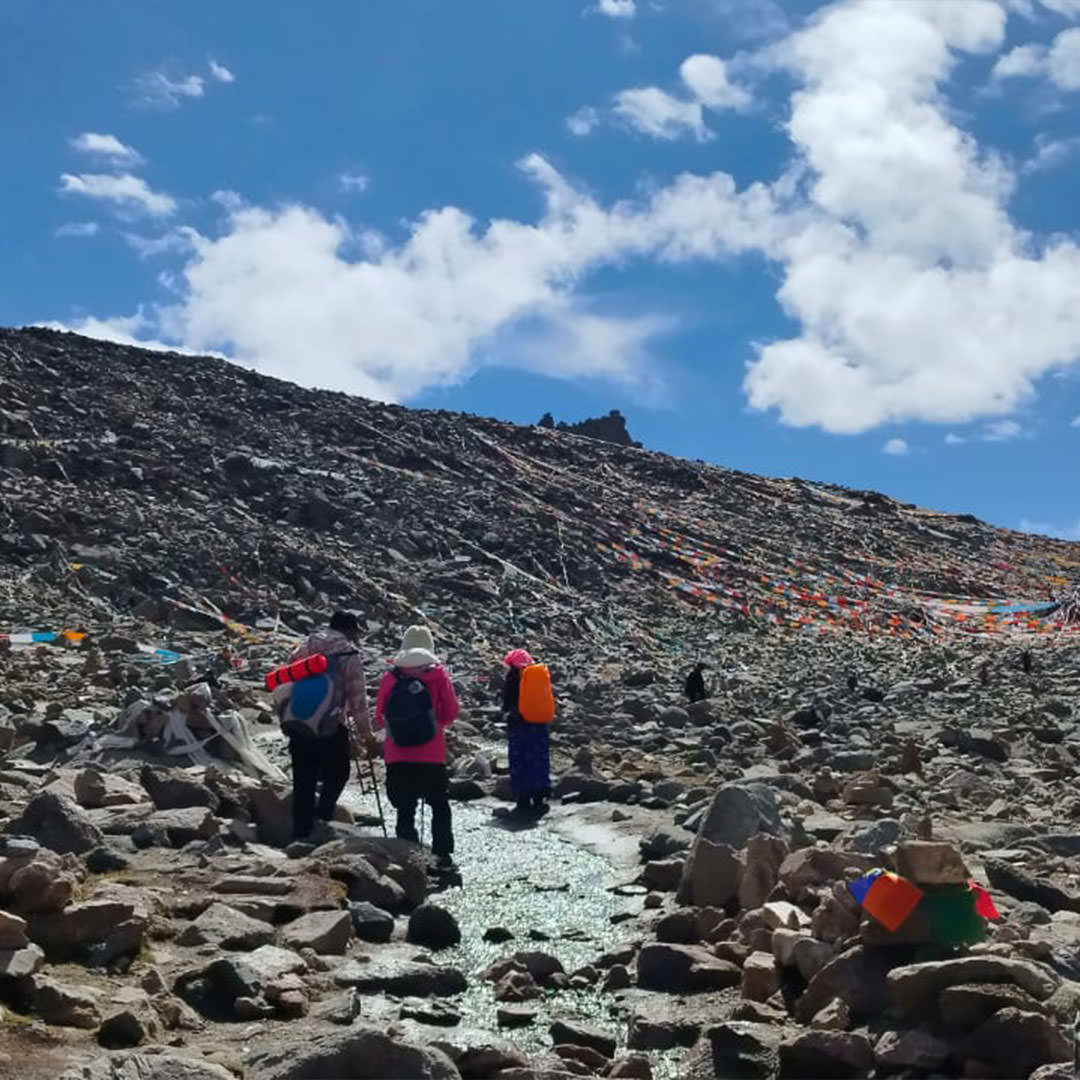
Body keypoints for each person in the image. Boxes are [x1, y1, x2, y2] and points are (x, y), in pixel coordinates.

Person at [285, 610, 376, 841]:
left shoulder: (304, 647)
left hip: (301, 722)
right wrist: (367, 735)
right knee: (338, 774)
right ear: (349, 630)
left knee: (303, 779)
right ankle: (322, 820)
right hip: (332, 725)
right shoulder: (348, 652)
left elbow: (286, 679)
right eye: (355, 632)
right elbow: (357, 698)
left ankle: (300, 833)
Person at [375, 625, 459, 870]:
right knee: (440, 806)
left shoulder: (391, 678)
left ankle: (408, 858)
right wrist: (436, 722)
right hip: (432, 756)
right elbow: (452, 712)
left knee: (405, 807)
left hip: (398, 755)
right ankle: (442, 857)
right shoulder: (439, 676)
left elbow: (381, 716)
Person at [502, 648, 551, 819]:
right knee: (539, 759)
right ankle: (540, 796)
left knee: (520, 761)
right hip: (538, 724)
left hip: (518, 725)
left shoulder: (512, 677)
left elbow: (506, 703)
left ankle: (523, 799)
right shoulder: (538, 675)